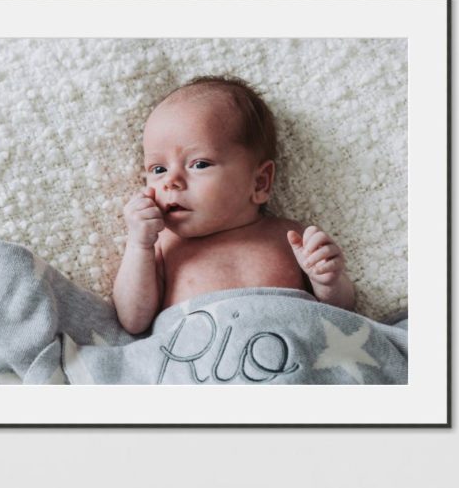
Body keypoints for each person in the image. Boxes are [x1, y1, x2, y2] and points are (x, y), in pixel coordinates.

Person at [112, 75, 353, 336]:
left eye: (199, 164)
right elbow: (133, 320)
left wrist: (328, 283)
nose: (171, 181)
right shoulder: (161, 245)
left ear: (259, 183)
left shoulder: (291, 237)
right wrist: (138, 244)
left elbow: (343, 313)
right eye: (158, 169)